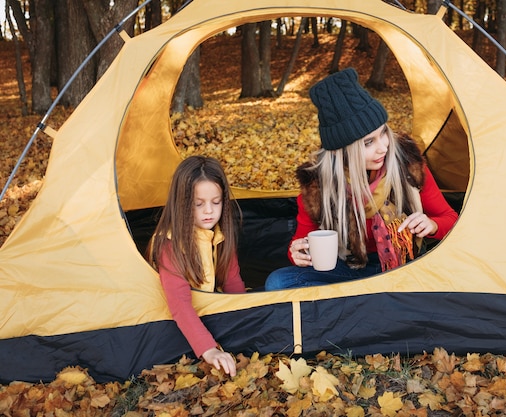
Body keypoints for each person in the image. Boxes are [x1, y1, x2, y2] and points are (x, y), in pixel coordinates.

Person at [264, 68, 458, 290]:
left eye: (383, 133)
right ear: (341, 151)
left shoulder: (407, 163)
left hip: (405, 266)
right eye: (368, 143)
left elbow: (449, 218)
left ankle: (360, 304)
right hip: (350, 270)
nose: (383, 147)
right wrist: (296, 253)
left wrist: (432, 225)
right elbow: (303, 242)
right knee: (278, 282)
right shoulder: (318, 185)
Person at [147, 156, 245, 377]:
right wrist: (209, 350)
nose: (209, 211)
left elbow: (232, 282)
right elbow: (179, 303)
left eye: (216, 202)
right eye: (198, 204)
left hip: (205, 313)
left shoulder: (220, 235)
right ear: (182, 204)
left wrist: (245, 320)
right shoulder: (170, 243)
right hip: (168, 323)